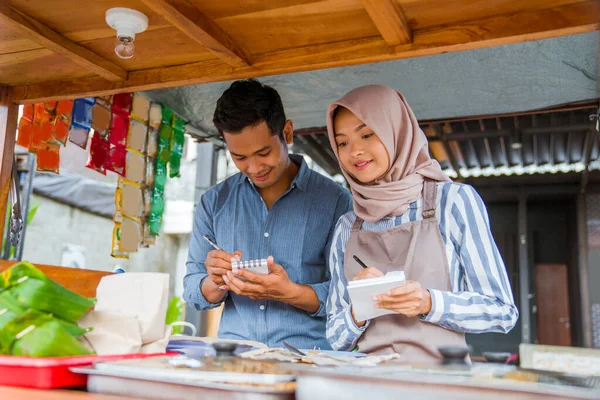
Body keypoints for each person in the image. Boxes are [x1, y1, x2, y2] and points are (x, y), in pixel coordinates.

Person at [324, 85, 518, 362]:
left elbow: (501, 311)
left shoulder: (452, 202)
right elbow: (334, 336)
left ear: (397, 133)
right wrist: (358, 310)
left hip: (438, 381)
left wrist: (429, 302)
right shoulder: (347, 225)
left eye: (367, 134)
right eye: (342, 142)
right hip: (367, 383)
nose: (354, 151)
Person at [183, 79, 352, 349]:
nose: (254, 167)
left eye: (264, 152)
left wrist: (291, 293)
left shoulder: (336, 201)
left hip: (309, 359)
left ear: (287, 133)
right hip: (235, 359)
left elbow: (348, 295)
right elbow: (192, 290)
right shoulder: (213, 203)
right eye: (239, 157)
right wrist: (216, 281)